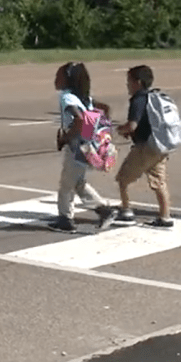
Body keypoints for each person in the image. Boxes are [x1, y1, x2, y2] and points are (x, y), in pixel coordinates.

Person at [97, 65, 173, 228]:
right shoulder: (155, 96)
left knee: (123, 178)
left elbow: (132, 125)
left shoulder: (138, 99)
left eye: (129, 81)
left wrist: (120, 129)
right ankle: (165, 216)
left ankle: (126, 211)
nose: (127, 85)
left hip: (145, 148)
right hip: (160, 146)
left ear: (137, 82)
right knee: (160, 182)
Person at [50, 62, 111, 233]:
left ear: (67, 80)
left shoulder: (67, 97)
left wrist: (67, 138)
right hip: (86, 146)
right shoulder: (84, 97)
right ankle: (103, 209)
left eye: (59, 76)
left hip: (77, 147)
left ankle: (65, 220)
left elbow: (81, 120)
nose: (55, 79)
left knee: (66, 185)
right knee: (77, 183)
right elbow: (101, 112)